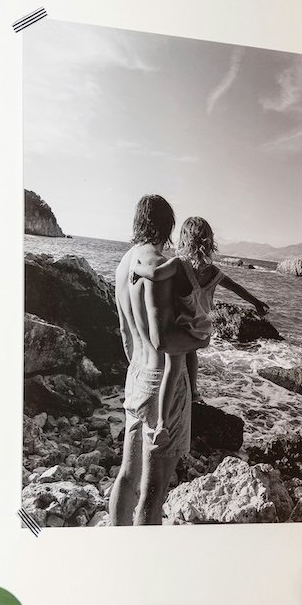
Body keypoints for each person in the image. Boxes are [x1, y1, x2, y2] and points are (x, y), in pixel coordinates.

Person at [107, 195, 209, 526]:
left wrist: (138, 370)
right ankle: (143, 553)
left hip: (136, 374)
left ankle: (117, 541)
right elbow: (163, 340)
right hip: (161, 382)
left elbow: (125, 332)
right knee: (154, 492)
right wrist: (202, 339)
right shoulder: (160, 265)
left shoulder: (125, 264)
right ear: (167, 225)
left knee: (127, 476)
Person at [136, 216, 270, 446]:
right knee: (192, 354)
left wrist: (137, 269)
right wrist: (257, 303)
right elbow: (236, 288)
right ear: (209, 242)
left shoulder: (178, 265)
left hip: (182, 328)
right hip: (202, 330)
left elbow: (155, 274)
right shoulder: (213, 272)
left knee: (172, 370)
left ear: (184, 239)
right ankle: (195, 392)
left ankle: (161, 424)